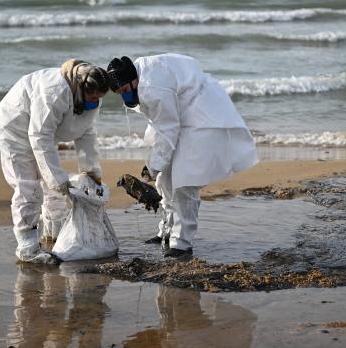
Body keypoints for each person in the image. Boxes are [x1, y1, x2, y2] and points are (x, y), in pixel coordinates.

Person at [107, 54, 258, 257]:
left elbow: (168, 129)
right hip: (181, 111)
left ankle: (182, 244)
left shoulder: (153, 88)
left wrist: (151, 167)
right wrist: (153, 167)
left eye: (125, 90)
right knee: (164, 181)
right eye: (120, 93)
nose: (125, 97)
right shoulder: (140, 75)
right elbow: (162, 126)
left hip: (201, 114)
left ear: (133, 80)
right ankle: (166, 232)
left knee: (184, 181)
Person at [0, 59, 110, 264]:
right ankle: (27, 248)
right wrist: (59, 180)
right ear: (80, 88)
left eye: (99, 98)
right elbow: (39, 135)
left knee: (52, 186)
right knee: (28, 186)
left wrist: (92, 175)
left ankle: (53, 236)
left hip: (42, 133)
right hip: (14, 130)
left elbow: (87, 135)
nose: (95, 101)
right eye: (92, 96)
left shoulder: (90, 97)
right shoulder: (54, 91)